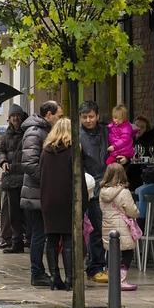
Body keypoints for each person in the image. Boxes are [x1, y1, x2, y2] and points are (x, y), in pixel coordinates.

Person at [80, 100, 130, 283]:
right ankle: (95, 266)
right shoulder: (78, 135)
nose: (88, 120)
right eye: (85, 117)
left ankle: (106, 264)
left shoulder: (106, 131)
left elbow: (122, 143)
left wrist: (124, 157)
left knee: (109, 227)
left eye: (91, 116)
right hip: (91, 185)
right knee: (96, 226)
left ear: (97, 116)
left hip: (109, 183)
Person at [21, 100, 64, 286]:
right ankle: (37, 273)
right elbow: (30, 164)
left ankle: (41, 271)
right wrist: (49, 181)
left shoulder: (44, 131)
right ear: (49, 115)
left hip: (41, 192)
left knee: (45, 234)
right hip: (36, 193)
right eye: (59, 116)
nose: (61, 119)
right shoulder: (34, 132)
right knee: (39, 234)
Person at [40, 118, 74, 291]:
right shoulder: (72, 151)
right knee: (68, 240)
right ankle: (69, 278)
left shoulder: (45, 152)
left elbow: (41, 176)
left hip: (48, 200)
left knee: (51, 239)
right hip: (66, 200)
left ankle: (54, 277)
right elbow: (78, 179)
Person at [99, 163, 140, 291]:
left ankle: (112, 278)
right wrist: (137, 213)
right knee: (127, 252)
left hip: (107, 226)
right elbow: (131, 210)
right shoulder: (124, 192)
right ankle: (121, 280)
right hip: (122, 227)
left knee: (111, 252)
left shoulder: (102, 191)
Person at [0, 104, 29, 252]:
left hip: (24, 177)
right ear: (9, 118)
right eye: (13, 116)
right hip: (10, 179)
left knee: (27, 213)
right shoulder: (6, 135)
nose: (15, 118)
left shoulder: (27, 133)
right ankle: (17, 242)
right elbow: (2, 151)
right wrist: (3, 161)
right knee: (13, 213)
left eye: (17, 115)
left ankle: (29, 239)